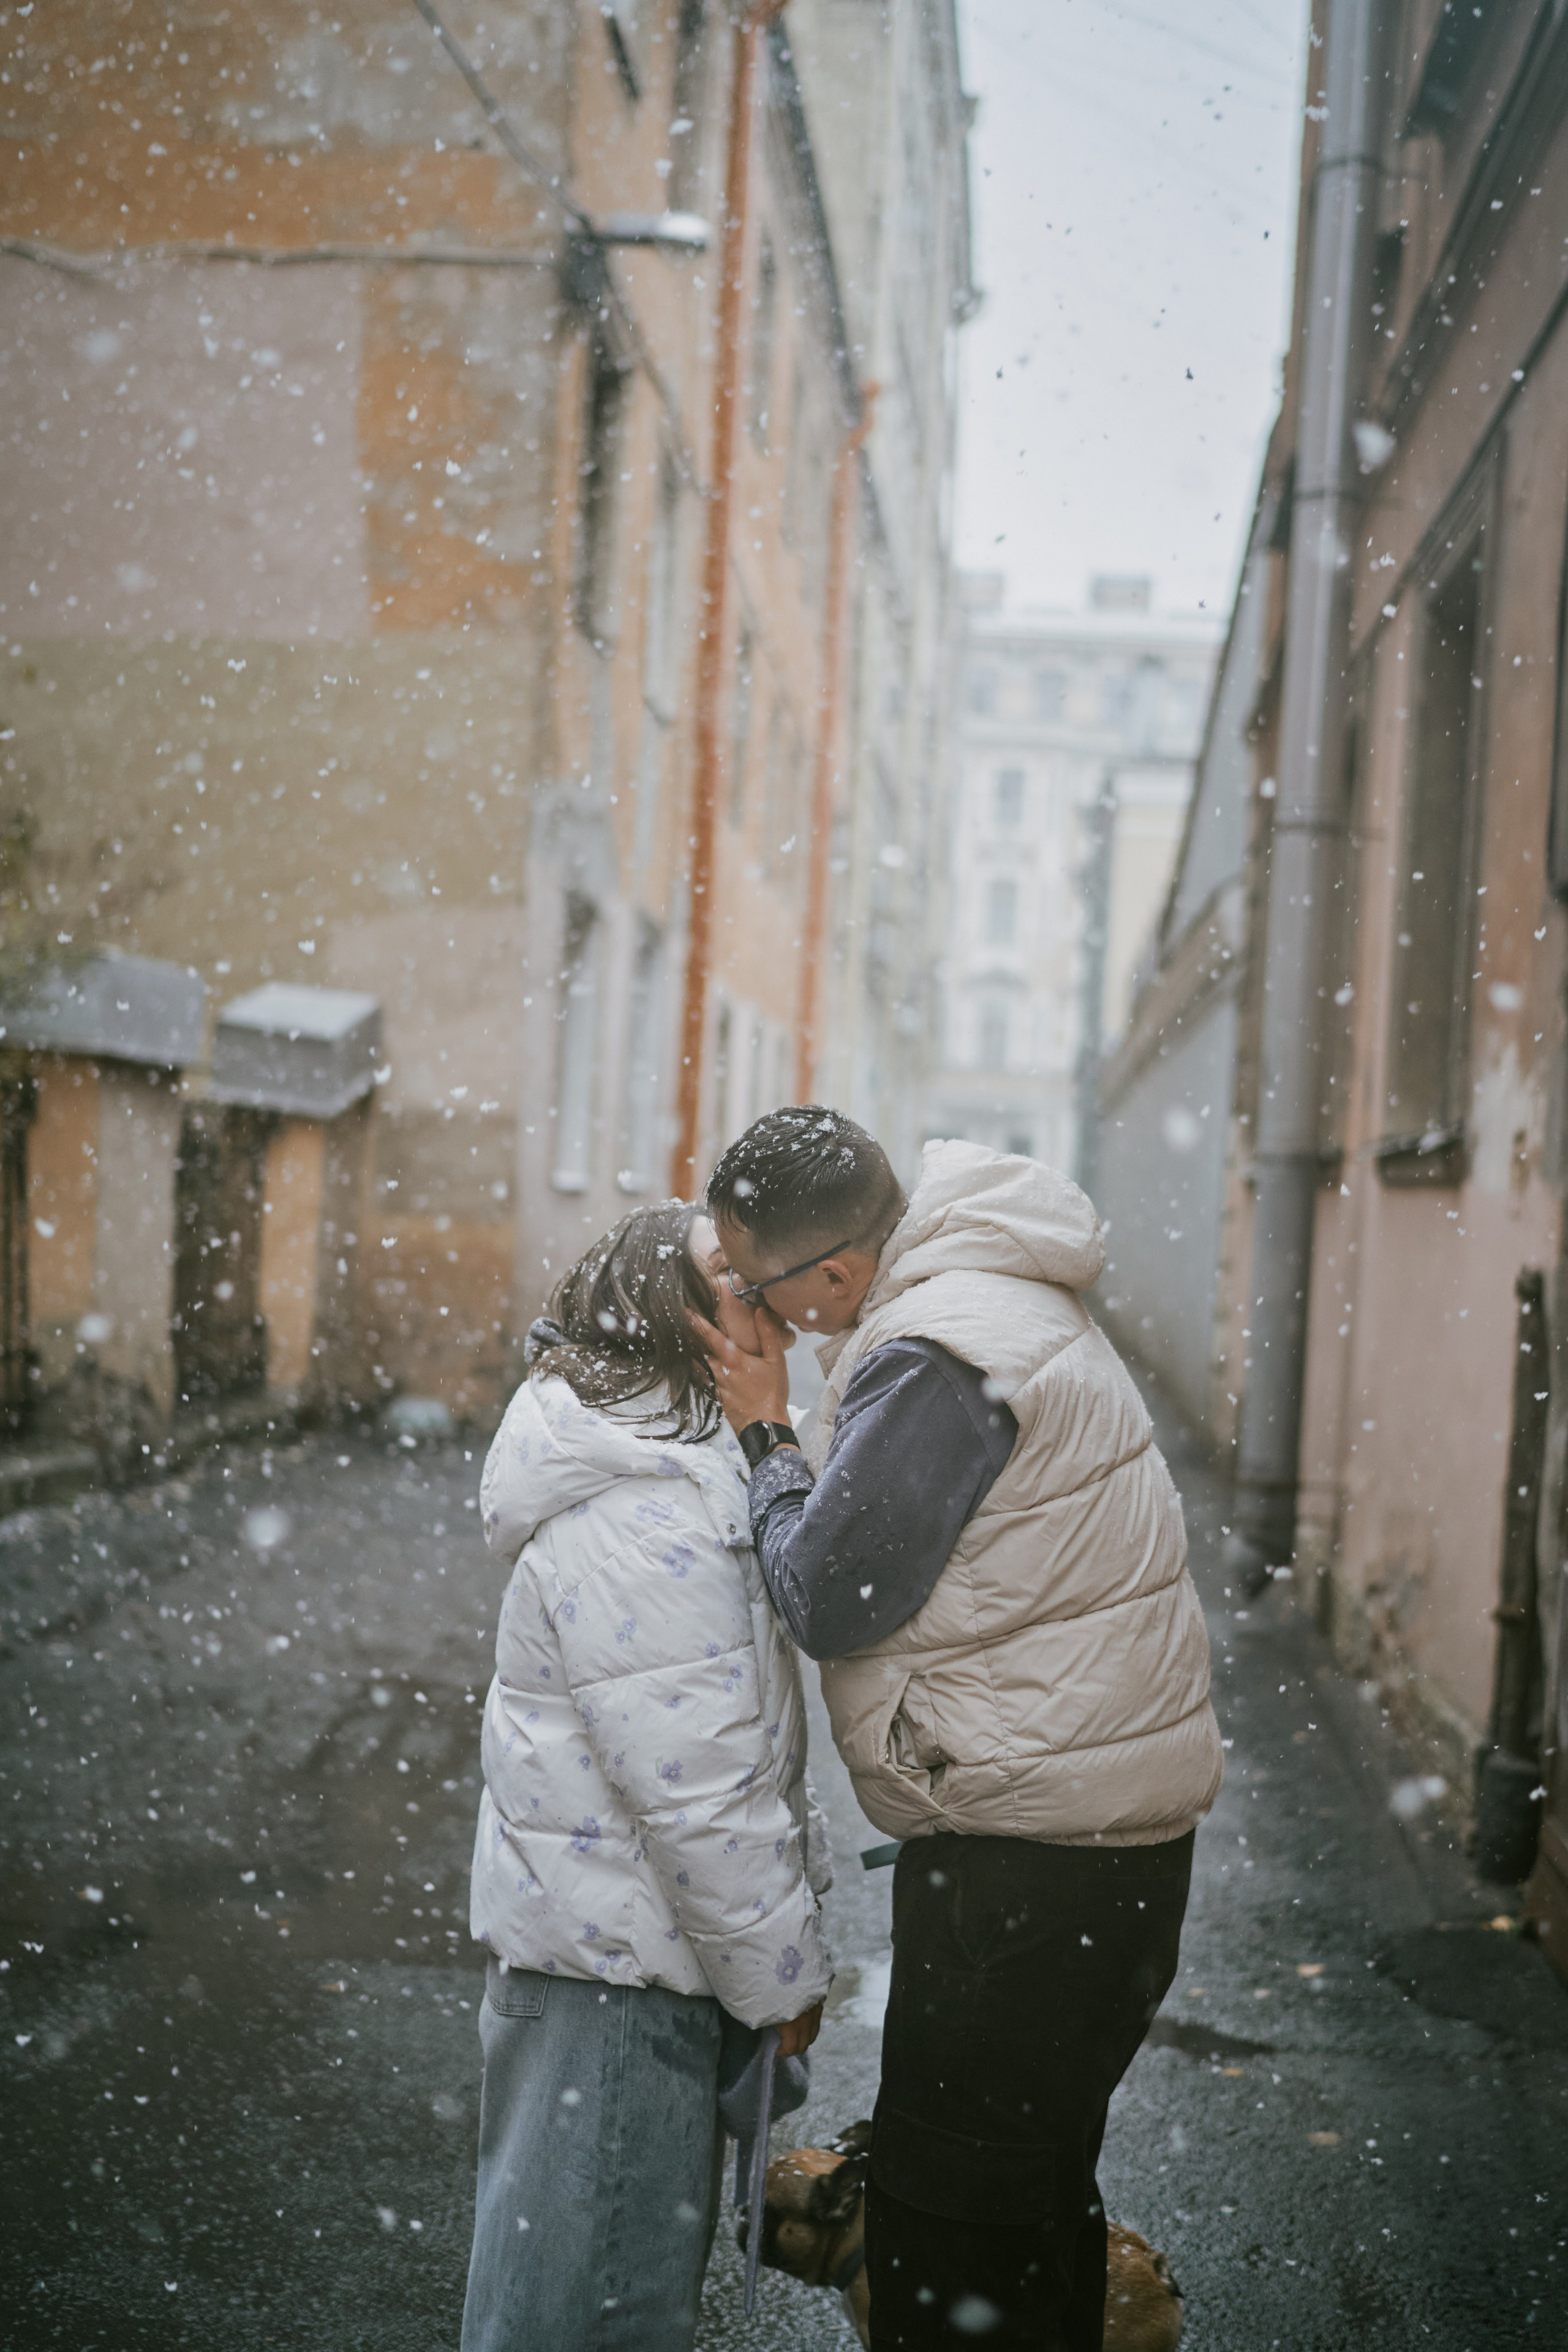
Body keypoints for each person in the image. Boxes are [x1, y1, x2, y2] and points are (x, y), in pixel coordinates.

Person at [694, 1108, 1224, 2352]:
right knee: (1025, 2204)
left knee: (948, 2250)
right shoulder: (984, 1297)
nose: (756, 1315)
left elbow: (827, 1594)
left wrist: (766, 1427)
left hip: (1034, 1876)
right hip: (1088, 1851)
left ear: (832, 1271)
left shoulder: (938, 1352)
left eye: (760, 1285)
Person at [461, 1200, 832, 2352]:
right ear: (673, 1319)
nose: (764, 1287)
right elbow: (699, 1795)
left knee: (563, 2302)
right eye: (734, 1275)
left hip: (616, 1966)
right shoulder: (645, 1513)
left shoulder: (674, 1468)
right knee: (596, 2317)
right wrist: (784, 1983)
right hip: (618, 1990)